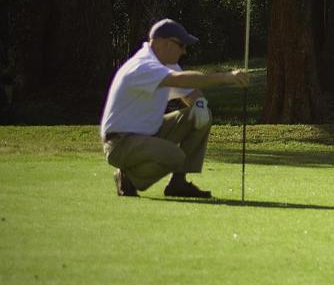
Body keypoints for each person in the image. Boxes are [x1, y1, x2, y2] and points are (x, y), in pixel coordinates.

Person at [101, 18, 249, 199]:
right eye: (181, 45)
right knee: (175, 156)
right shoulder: (143, 66)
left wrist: (200, 105)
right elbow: (182, 80)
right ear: (166, 43)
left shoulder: (165, 66)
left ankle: (178, 183)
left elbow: (190, 92)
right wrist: (226, 77)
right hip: (120, 143)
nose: (184, 51)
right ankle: (127, 178)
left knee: (199, 116)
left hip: (146, 135)